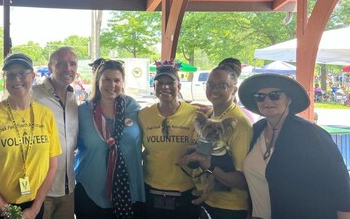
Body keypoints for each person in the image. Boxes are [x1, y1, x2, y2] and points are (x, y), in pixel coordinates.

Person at [0, 48, 79, 219]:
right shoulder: (33, 93)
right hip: (38, 191)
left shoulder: (74, 99)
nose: (67, 68)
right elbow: (12, 97)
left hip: (67, 187)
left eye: (72, 64)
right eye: (61, 63)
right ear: (50, 67)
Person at [239, 73, 350, 219]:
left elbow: (341, 187)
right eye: (260, 96)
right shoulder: (256, 130)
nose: (266, 100)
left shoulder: (313, 135)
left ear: (289, 99)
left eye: (275, 95)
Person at [180, 58, 252, 219]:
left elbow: (243, 180)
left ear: (234, 90)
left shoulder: (240, 124)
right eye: (210, 84)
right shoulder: (210, 115)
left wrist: (210, 166)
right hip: (208, 201)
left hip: (228, 207)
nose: (214, 89)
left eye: (222, 85)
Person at [74, 59, 145, 219]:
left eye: (116, 80)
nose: (111, 84)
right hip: (90, 193)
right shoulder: (82, 112)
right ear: (97, 81)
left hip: (129, 192)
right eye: (106, 79)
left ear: (122, 82)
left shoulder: (133, 107)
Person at [138, 60, 199, 218]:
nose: (165, 87)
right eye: (160, 83)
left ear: (179, 86)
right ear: (154, 87)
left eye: (170, 82)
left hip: (185, 191)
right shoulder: (143, 115)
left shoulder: (195, 114)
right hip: (151, 189)